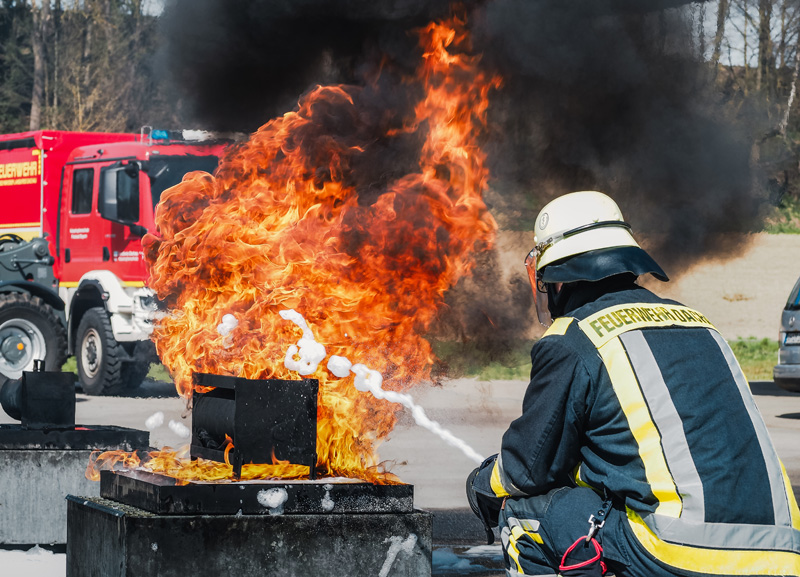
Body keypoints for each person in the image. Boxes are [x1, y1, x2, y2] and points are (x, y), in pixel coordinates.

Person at [466, 191, 800, 577]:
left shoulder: (574, 338)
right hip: (782, 552)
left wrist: (484, 482)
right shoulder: (697, 322)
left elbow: (528, 470)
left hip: (685, 552)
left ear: (557, 280)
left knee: (523, 513)